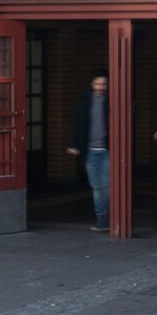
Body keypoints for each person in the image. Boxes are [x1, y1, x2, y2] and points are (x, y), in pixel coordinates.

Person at [67, 70, 110, 232]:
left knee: (106, 184)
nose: (100, 87)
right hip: (90, 150)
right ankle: (102, 217)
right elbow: (77, 123)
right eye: (98, 84)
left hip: (107, 150)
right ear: (92, 85)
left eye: (103, 84)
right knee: (97, 185)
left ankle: (105, 217)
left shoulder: (111, 100)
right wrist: (73, 144)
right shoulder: (85, 101)